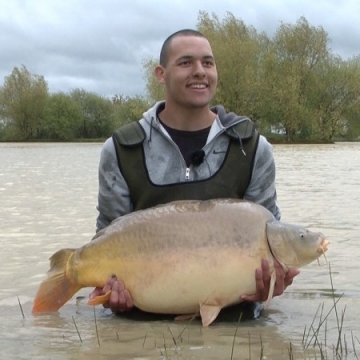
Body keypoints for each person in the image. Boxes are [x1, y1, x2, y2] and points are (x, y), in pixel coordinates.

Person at [89, 29, 299, 316]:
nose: (200, 71)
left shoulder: (252, 148)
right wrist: (109, 291)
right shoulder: (120, 149)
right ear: (161, 74)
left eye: (208, 63)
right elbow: (107, 236)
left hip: (234, 321)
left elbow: (267, 238)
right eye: (186, 63)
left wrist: (273, 282)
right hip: (143, 318)